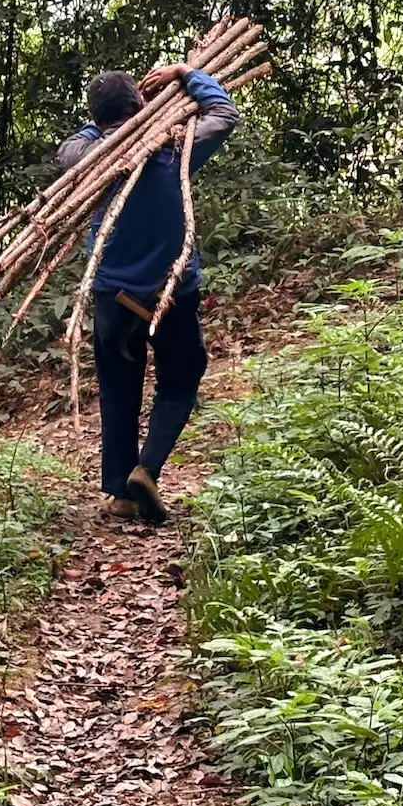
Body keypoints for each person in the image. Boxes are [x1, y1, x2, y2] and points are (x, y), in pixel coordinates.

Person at [54, 61, 240, 525]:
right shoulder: (175, 147)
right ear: (142, 104)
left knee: (119, 390)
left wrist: (102, 126)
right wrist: (185, 73)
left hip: (113, 294)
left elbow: (70, 148)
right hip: (171, 292)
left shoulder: (90, 156)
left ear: (97, 119)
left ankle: (120, 493)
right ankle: (147, 468)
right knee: (180, 380)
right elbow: (224, 111)